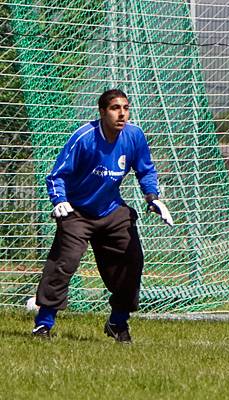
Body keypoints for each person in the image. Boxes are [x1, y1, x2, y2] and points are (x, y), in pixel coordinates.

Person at [31, 89, 173, 343]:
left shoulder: (134, 136)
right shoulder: (84, 137)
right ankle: (43, 325)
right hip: (77, 211)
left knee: (133, 260)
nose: (122, 114)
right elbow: (56, 175)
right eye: (115, 108)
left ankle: (117, 323)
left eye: (126, 108)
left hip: (111, 210)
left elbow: (146, 170)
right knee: (65, 262)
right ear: (102, 112)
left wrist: (154, 198)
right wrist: (60, 200)